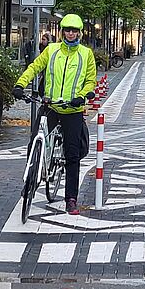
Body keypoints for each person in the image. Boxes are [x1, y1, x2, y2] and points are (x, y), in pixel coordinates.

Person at [14, 14, 97, 216]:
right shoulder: (51, 50)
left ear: (79, 33)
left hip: (72, 109)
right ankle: (30, 178)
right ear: (62, 32)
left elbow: (90, 81)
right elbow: (34, 67)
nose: (71, 33)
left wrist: (83, 96)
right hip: (49, 104)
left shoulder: (86, 54)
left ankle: (71, 199)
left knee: (72, 154)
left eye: (74, 30)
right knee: (34, 139)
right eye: (67, 30)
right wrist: (20, 84)